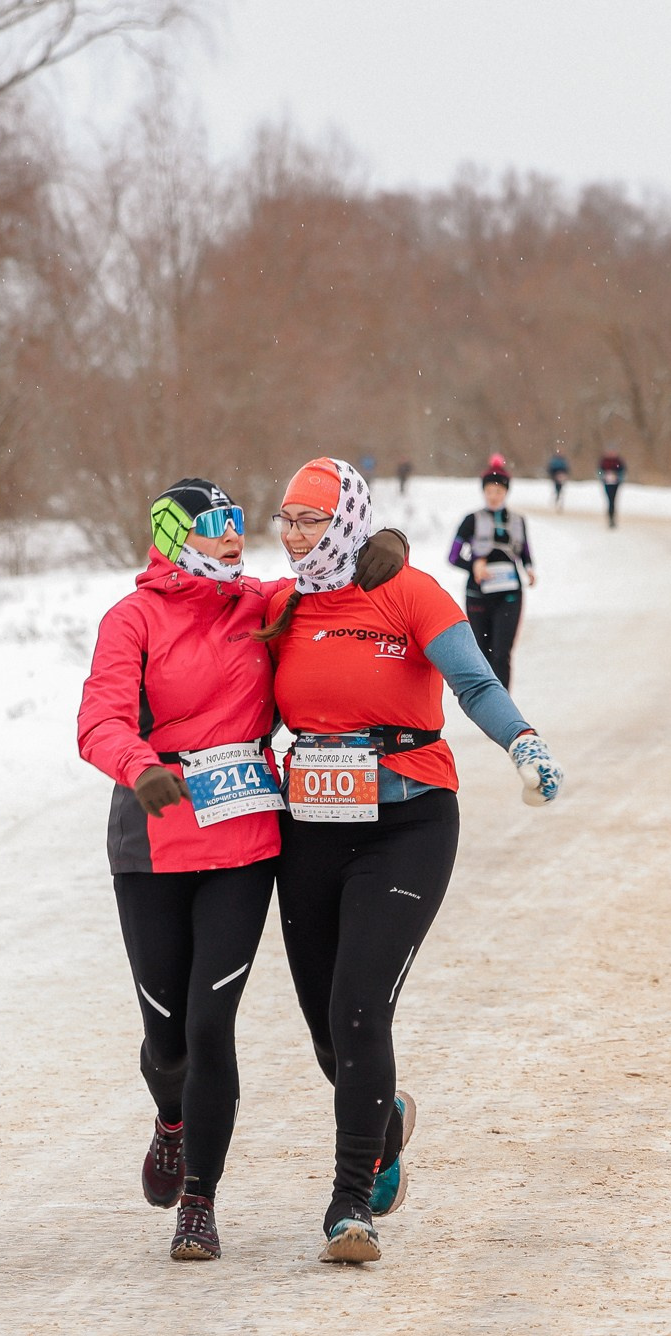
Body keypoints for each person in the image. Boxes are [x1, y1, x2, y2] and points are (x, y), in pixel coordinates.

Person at [76, 482, 409, 1263]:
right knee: (167, 1045)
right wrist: (138, 767)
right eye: (214, 527)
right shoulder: (132, 619)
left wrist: (383, 554)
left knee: (208, 1026)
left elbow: (336, 596)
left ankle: (199, 1202)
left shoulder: (261, 604)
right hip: (153, 837)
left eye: (237, 524)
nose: (235, 539)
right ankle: (170, 1120)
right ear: (173, 535)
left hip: (245, 839)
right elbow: (100, 717)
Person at [259, 457, 564, 1265]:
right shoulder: (283, 604)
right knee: (326, 1026)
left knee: (360, 1005)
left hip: (408, 823)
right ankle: (384, 1116)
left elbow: (473, 681)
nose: (294, 537)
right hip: (310, 825)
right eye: (285, 521)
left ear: (347, 519)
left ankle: (349, 1202)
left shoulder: (410, 592)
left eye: (310, 521)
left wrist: (522, 741)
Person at [448, 454, 537, 687]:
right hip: (479, 595)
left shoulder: (518, 520)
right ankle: (487, 707)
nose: (494, 496)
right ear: (483, 491)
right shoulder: (471, 520)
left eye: (498, 491)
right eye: (489, 491)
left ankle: (504, 709)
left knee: (501, 654)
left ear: (506, 492)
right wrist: (474, 564)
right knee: (483, 656)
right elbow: (452, 556)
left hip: (509, 595)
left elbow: (525, 552)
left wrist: (529, 569)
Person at [598, 449, 627, 527]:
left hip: (615, 484)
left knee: (613, 500)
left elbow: (623, 472)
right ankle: (610, 516)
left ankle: (612, 516)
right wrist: (604, 476)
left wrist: (617, 477)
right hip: (607, 484)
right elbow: (599, 472)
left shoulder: (618, 462)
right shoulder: (604, 461)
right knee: (610, 500)